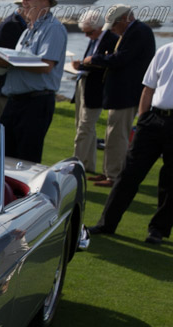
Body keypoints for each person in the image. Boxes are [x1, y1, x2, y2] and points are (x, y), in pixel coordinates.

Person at [88, 42, 173, 245]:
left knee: (170, 181)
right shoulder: (165, 51)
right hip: (153, 121)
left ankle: (157, 230)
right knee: (129, 174)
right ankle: (107, 223)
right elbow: (148, 88)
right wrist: (142, 119)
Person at [81, 5, 155, 187]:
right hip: (121, 93)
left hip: (127, 93)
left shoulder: (139, 32)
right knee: (111, 135)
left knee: (117, 136)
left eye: (114, 25)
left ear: (124, 19)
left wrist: (95, 59)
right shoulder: (135, 31)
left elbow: (121, 58)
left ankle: (114, 176)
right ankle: (109, 171)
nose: (113, 29)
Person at [0, 0, 65, 164]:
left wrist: (8, 62)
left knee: (26, 160)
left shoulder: (53, 28)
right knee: (5, 157)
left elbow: (46, 65)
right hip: (16, 101)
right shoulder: (27, 31)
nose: (23, 2)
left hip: (35, 102)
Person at [69, 12, 113, 177]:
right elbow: (90, 61)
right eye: (85, 33)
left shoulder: (111, 39)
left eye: (90, 32)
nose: (87, 36)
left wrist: (88, 62)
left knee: (84, 128)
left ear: (100, 27)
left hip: (96, 89)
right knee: (84, 126)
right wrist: (80, 65)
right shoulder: (95, 39)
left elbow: (109, 63)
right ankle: (88, 165)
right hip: (84, 83)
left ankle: (75, 166)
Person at [0, 5, 25, 120]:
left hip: (9, 84)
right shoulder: (10, 25)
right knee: (6, 128)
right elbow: (3, 56)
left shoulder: (17, 23)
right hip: (3, 84)